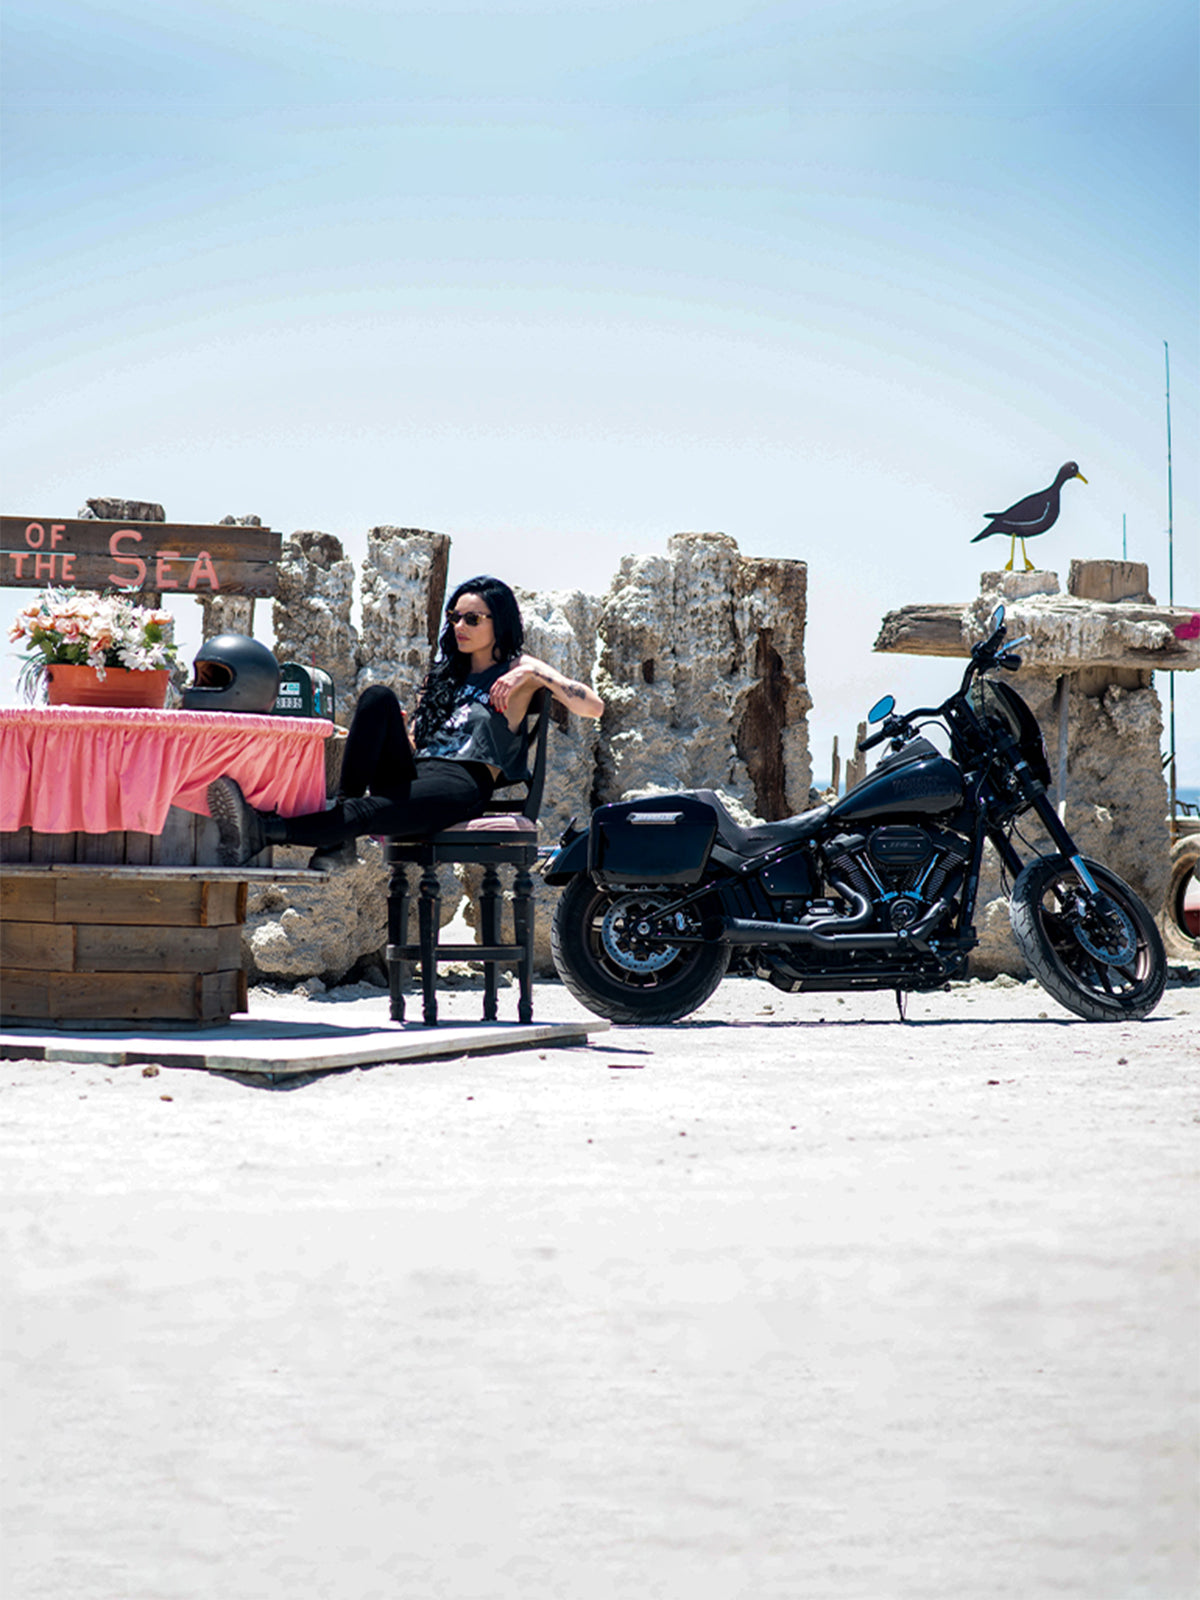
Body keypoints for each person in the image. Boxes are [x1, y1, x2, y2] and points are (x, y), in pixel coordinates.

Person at [206, 575, 604, 869]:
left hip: (462, 784)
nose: (459, 627)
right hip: (418, 770)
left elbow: (593, 707)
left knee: (369, 810)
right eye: (454, 617)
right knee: (377, 697)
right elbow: (421, 743)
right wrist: (401, 735)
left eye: (472, 619)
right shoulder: (445, 676)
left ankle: (265, 831)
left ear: (498, 622)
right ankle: (337, 829)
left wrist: (534, 674)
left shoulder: (521, 671)